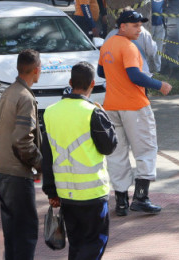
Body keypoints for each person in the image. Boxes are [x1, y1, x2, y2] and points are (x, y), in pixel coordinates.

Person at [98, 9, 173, 216]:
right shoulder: (128, 46)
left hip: (111, 106)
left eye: (140, 25)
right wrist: (160, 85)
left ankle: (121, 202)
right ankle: (141, 198)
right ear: (122, 27)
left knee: (117, 154)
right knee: (146, 149)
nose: (140, 29)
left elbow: (101, 72)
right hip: (135, 106)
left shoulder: (107, 45)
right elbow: (134, 76)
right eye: (135, 25)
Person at [40, 62, 117, 260]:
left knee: (76, 244)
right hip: (92, 194)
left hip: (67, 194)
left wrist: (51, 191)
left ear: (70, 82)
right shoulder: (93, 112)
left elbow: (47, 155)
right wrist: (105, 118)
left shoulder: (50, 112)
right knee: (94, 244)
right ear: (92, 83)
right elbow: (109, 146)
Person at [0, 49, 44, 260]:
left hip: (1, 170)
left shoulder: (9, 92)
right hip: (16, 174)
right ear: (36, 70)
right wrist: (40, 163)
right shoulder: (24, 97)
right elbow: (22, 140)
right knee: (25, 233)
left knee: (12, 233)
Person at [149, 0, 167, 73]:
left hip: (149, 23)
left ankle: (146, 72)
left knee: (146, 49)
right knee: (158, 49)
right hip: (160, 21)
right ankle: (157, 71)